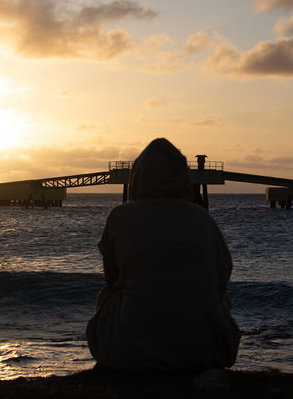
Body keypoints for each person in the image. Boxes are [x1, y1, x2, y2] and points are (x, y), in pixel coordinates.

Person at [86, 138, 242, 373]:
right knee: (217, 298)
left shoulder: (120, 217)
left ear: (137, 177)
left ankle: (136, 341)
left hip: (129, 354)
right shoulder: (203, 220)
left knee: (108, 296)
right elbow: (222, 279)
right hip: (206, 354)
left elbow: (112, 282)